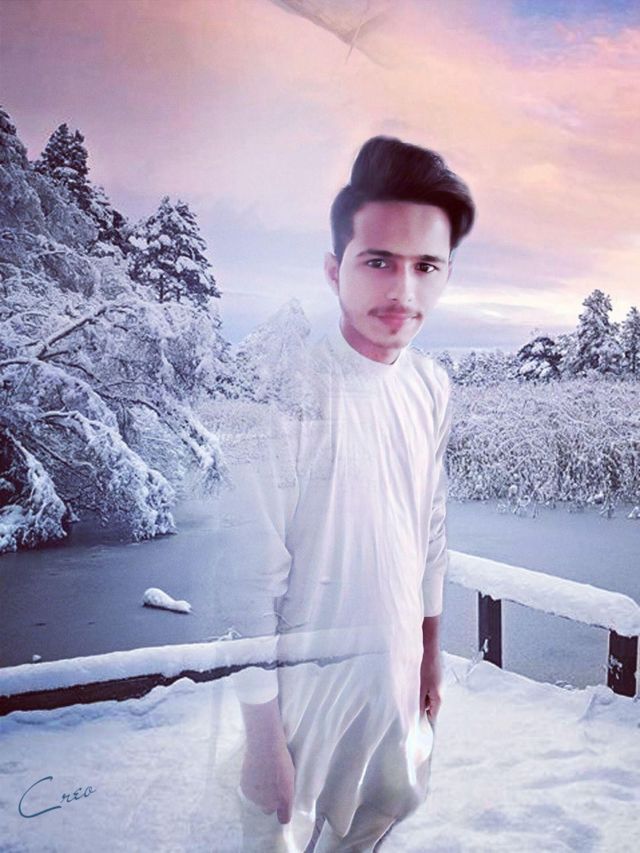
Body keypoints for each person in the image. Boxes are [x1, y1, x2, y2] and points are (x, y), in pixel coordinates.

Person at [220, 135, 475, 852]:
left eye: (426, 266)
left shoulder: (430, 385)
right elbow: (248, 582)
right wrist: (262, 741)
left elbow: (429, 529)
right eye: (379, 262)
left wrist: (429, 655)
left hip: (391, 686)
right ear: (335, 270)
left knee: (373, 827)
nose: (404, 291)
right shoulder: (285, 396)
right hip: (300, 705)